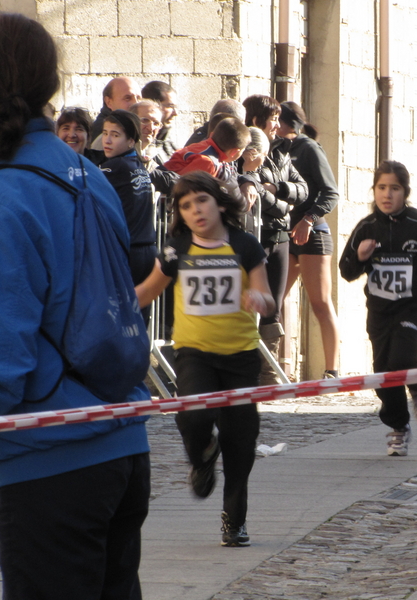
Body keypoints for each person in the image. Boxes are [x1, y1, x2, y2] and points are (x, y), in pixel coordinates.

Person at [0, 12, 150, 598]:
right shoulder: (84, 171)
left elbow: (2, 358)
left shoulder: (8, 191)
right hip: (119, 440)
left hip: (49, 459)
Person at [135, 171, 275, 546]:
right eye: (185, 205)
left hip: (241, 356)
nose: (195, 210)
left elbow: (267, 295)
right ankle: (202, 455)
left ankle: (235, 519)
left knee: (241, 440)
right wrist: (107, 306)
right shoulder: (176, 248)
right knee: (194, 417)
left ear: (219, 203)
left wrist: (260, 300)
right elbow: (147, 291)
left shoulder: (245, 246)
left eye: (201, 200)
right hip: (194, 353)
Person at [340, 161, 417, 456]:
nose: (387, 195)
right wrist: (361, 257)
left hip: (414, 307)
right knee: (383, 373)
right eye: (382, 188)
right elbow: (346, 270)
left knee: (403, 355)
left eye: (395, 189)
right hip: (379, 312)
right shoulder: (366, 228)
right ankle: (399, 428)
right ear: (374, 191)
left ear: (405, 192)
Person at [238, 123, 308, 384]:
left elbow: (303, 189)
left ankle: (268, 371)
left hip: (280, 238)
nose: (265, 158)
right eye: (261, 154)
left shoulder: (281, 155)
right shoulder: (239, 166)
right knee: (250, 302)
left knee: (273, 305)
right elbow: (261, 196)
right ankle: (248, 368)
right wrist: (283, 205)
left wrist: (277, 190)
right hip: (256, 238)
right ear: (250, 151)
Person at [279, 101, 342, 379]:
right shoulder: (274, 148)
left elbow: (331, 193)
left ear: (285, 123)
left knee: (319, 302)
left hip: (312, 233)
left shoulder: (309, 148)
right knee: (274, 299)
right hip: (284, 233)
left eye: (274, 120)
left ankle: (332, 370)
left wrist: (308, 219)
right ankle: (274, 366)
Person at [100, 109, 156, 325]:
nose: (107, 139)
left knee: (119, 321)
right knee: (138, 322)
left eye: (115, 135)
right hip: (147, 250)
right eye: (105, 133)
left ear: (131, 141)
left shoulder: (113, 167)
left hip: (128, 253)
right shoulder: (137, 164)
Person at [164, 116, 250, 180]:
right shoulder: (208, 162)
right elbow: (183, 185)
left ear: (212, 134)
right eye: (242, 151)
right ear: (234, 152)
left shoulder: (204, 145)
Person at [129, 99, 179, 196]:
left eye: (156, 123)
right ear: (131, 121)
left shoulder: (151, 150)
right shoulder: (120, 146)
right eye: (145, 120)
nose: (151, 128)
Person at [90, 76, 142, 157]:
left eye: (138, 98)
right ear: (109, 102)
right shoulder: (102, 134)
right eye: (127, 98)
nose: (136, 103)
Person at [141, 80, 179, 162]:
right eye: (170, 106)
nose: (175, 113)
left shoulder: (168, 143)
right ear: (154, 105)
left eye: (175, 107)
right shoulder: (140, 147)